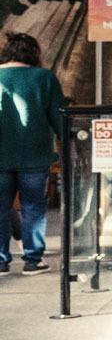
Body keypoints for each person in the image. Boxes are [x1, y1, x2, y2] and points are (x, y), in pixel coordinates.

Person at [0, 31, 66, 275]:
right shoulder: (44, 78)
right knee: (33, 209)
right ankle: (32, 260)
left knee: (0, 208)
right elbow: (59, 117)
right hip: (35, 156)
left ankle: (1, 261)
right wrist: (67, 142)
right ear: (33, 54)